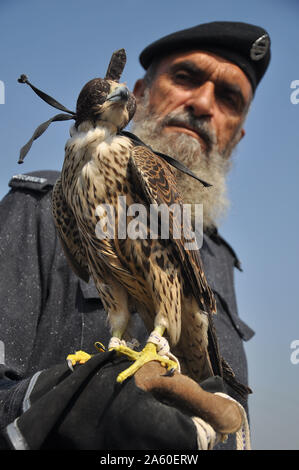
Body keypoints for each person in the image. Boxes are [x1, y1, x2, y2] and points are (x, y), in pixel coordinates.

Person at [0, 21, 270, 450]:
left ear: (237, 135)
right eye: (186, 77)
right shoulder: (40, 205)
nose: (203, 104)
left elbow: (231, 422)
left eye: (228, 98)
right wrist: (57, 403)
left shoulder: (220, 257)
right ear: (138, 93)